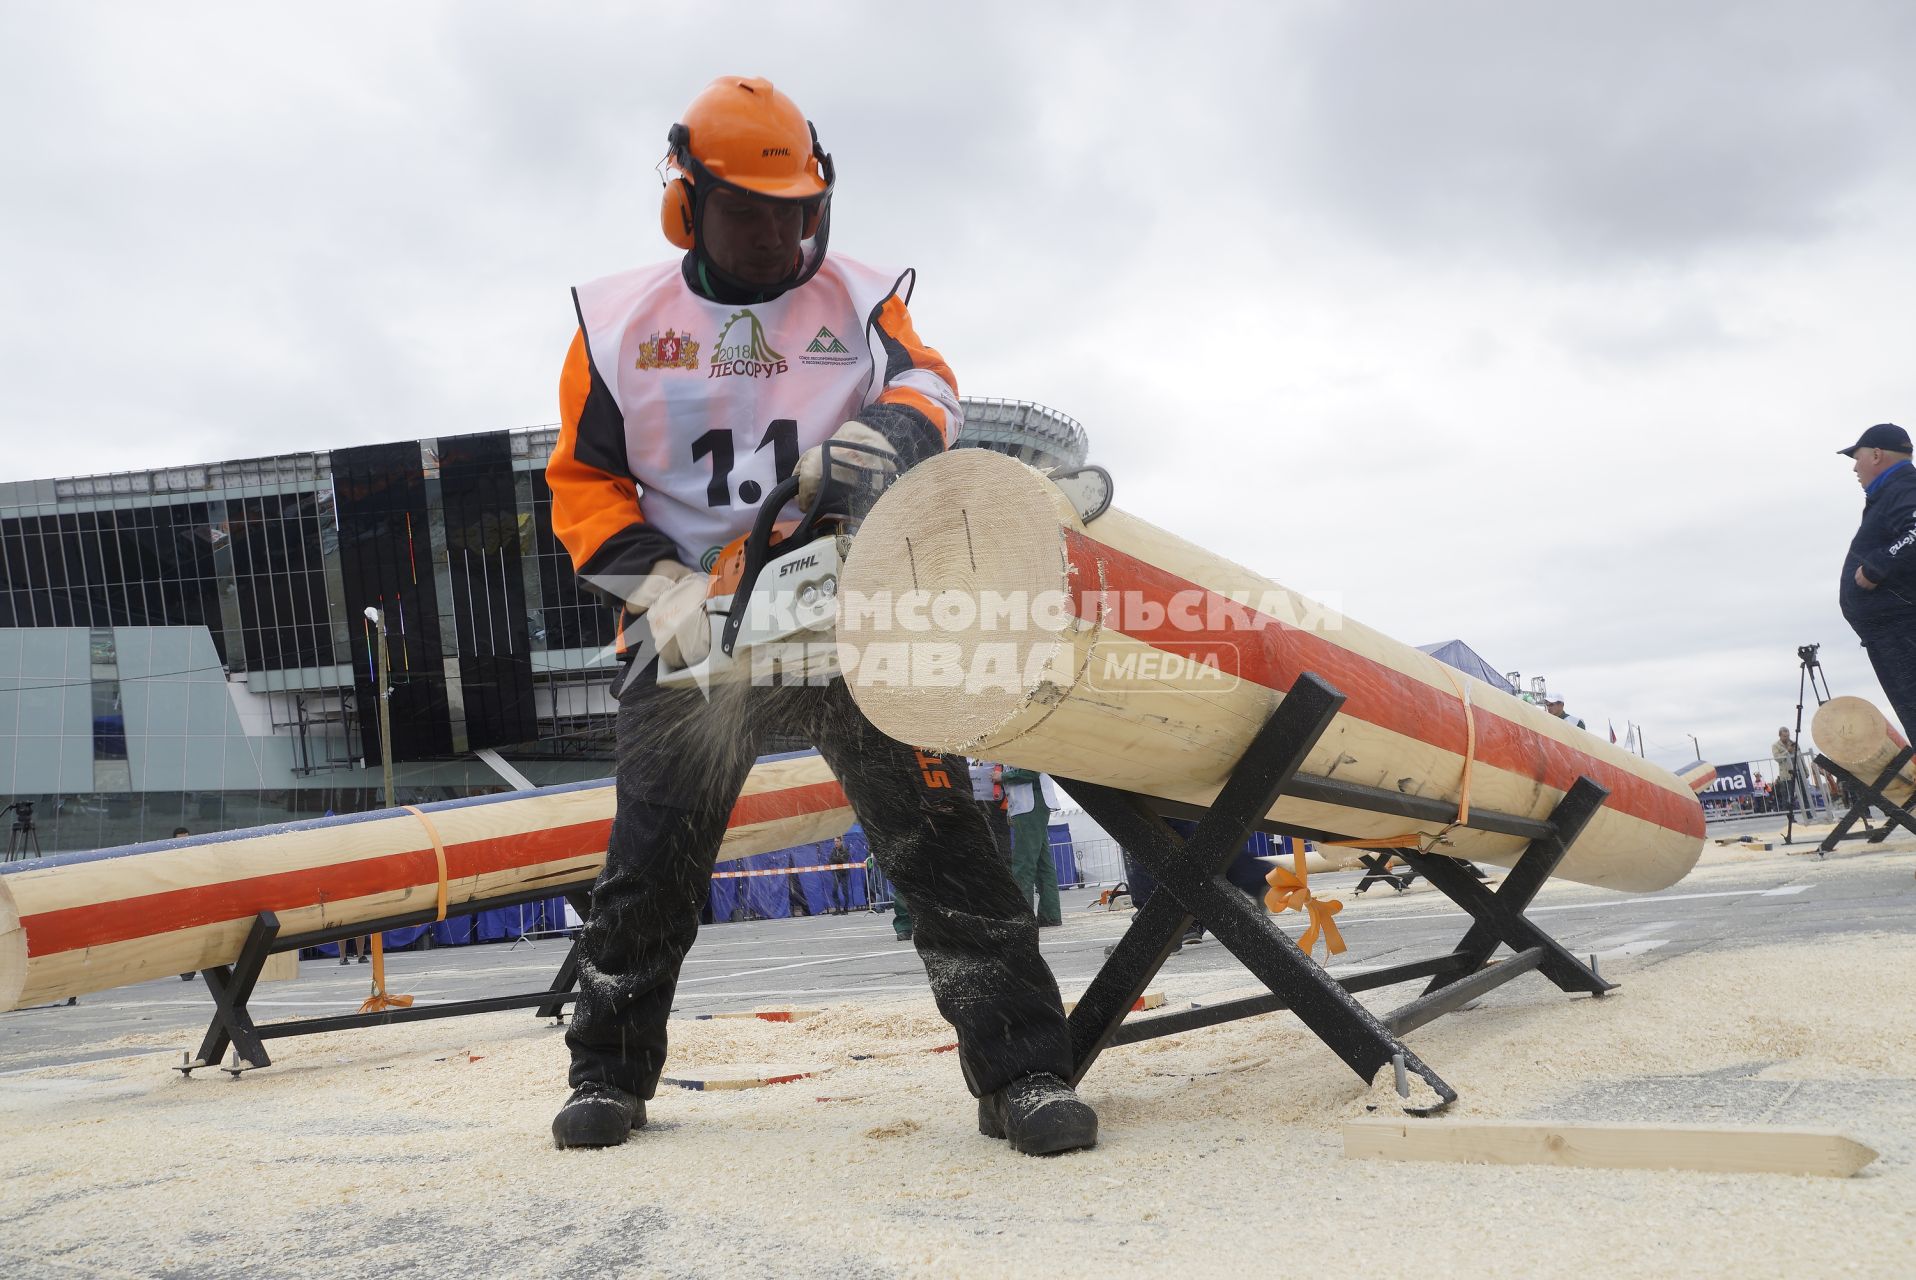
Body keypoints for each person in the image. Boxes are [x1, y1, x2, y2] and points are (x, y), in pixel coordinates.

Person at [542, 77, 1094, 1156]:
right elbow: (581, 483)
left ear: (821, 200)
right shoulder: (615, 327)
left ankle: (1023, 1068)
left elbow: (934, 381)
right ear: (686, 203)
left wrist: (885, 427)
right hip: (687, 618)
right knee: (650, 861)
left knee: (940, 839)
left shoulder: (859, 297)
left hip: (845, 605)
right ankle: (606, 1072)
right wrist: (658, 585)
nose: (774, 234)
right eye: (747, 211)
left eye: (794, 211)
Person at [1837, 423, 1916, 740]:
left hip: (1902, 631)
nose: (1854, 467)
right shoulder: (1893, 491)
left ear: (1877, 454)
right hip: (1891, 632)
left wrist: (1877, 566)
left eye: (1856, 457)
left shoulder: (1903, 487)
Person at [1001, 767, 1062, 927]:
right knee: (1043, 864)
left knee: (1023, 863)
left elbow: (1030, 772)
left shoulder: (1021, 747)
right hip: (1031, 805)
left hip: (1029, 806)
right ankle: (1050, 914)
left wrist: (1002, 776)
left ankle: (1023, 916)